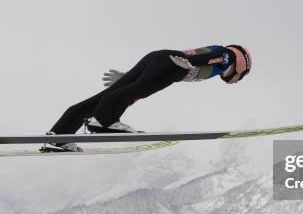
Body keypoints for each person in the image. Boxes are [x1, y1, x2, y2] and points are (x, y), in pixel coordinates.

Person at [46, 45, 252, 152]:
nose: (236, 81)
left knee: (112, 95)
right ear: (242, 68)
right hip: (172, 66)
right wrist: (191, 63)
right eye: (242, 77)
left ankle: (60, 135)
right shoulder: (228, 57)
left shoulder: (219, 64)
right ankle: (103, 122)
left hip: (160, 59)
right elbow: (219, 55)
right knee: (137, 91)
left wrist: (127, 77)